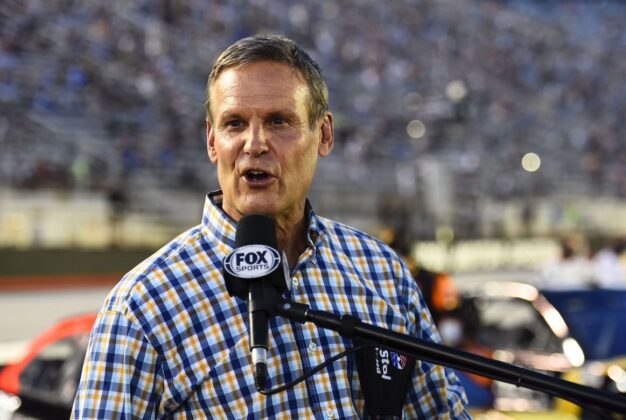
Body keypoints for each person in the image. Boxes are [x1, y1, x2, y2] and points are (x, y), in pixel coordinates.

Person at [72, 35, 470, 418]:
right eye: (234, 124)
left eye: (279, 121)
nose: (255, 143)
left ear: (324, 134)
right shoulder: (143, 306)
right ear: (212, 142)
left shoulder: (382, 273)